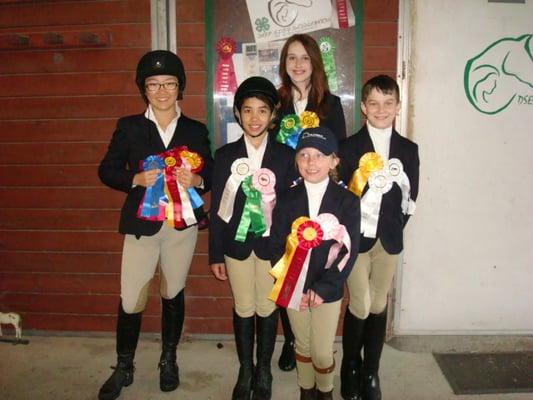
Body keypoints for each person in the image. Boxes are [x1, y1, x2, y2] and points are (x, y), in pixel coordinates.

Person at [97, 50, 213, 400]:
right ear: (143, 89)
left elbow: (211, 172)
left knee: (172, 292)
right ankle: (124, 365)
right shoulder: (129, 126)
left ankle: (168, 359)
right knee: (131, 297)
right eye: (153, 84)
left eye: (169, 84)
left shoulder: (195, 129)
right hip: (142, 225)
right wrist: (134, 178)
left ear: (180, 88)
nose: (162, 91)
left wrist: (196, 181)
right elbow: (107, 169)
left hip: (181, 228)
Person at [209, 76, 297, 400]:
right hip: (236, 246)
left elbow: (290, 209)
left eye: (262, 110)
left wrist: (288, 252)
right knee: (244, 307)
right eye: (248, 110)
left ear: (273, 114)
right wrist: (215, 254)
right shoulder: (225, 155)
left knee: (267, 307)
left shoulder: (287, 157)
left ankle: (264, 370)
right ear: (237, 112)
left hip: (272, 248)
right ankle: (245, 369)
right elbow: (219, 206)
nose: (255, 118)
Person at [338, 75, 420, 400]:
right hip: (355, 239)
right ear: (363, 107)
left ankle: (371, 370)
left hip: (388, 238)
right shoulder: (347, 148)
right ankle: (350, 366)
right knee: (359, 302)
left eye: (388, 103)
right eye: (374, 103)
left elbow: (411, 199)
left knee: (378, 301)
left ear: (397, 107)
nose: (381, 109)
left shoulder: (408, 150)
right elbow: (341, 196)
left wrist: (395, 226)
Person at [269, 126, 360, 400]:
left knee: (321, 351)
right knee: (303, 345)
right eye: (305, 155)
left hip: (327, 290)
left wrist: (323, 288)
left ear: (334, 161)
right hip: (293, 284)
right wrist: (289, 279)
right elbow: (276, 244)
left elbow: (349, 251)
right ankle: (306, 390)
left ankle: (326, 390)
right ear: (296, 161)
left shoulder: (347, 201)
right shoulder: (285, 200)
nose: (311, 162)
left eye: (320, 155)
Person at [275, 33, 348, 370]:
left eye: (304, 58)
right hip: (285, 197)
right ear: (284, 64)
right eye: (291, 58)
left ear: (314, 63)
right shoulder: (277, 103)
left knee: (315, 258)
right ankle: (292, 338)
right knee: (286, 261)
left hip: (319, 197)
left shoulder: (330, 104)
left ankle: (313, 339)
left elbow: (340, 153)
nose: (298, 64)